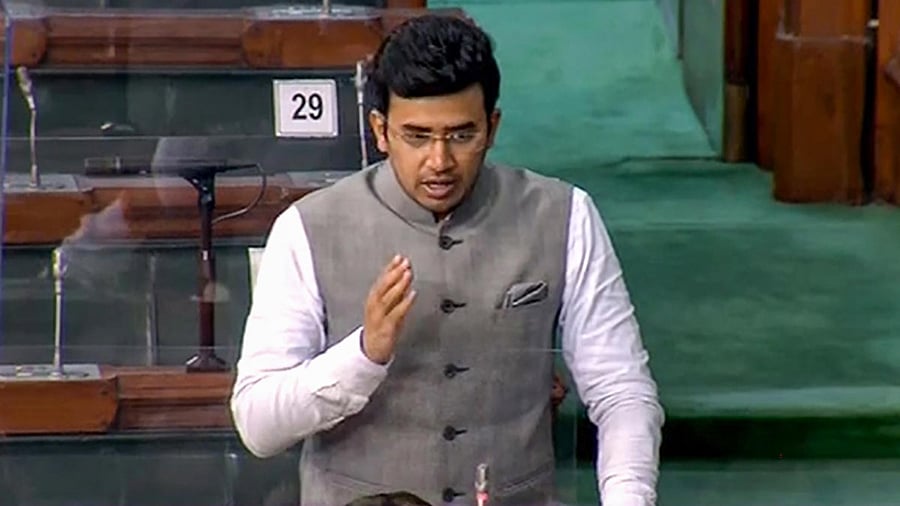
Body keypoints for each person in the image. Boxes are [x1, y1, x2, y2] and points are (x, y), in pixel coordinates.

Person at [230, 13, 664, 506]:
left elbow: (622, 392)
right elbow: (259, 424)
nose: (439, 161)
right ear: (380, 130)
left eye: (461, 135)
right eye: (417, 136)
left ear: (492, 127)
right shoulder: (307, 227)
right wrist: (363, 356)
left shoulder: (566, 215)